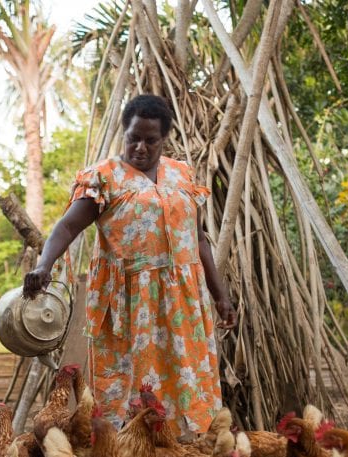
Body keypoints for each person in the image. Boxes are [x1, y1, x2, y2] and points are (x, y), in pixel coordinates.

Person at [23, 94, 236, 437]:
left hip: (183, 303)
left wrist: (219, 294)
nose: (140, 147)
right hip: (132, 305)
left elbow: (197, 240)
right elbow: (66, 227)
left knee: (186, 381)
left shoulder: (181, 175)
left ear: (164, 139)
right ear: (124, 132)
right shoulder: (105, 178)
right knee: (130, 390)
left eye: (150, 140)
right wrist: (44, 265)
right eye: (133, 137)